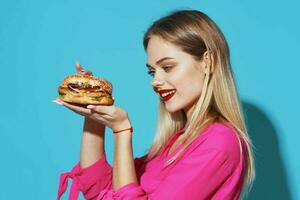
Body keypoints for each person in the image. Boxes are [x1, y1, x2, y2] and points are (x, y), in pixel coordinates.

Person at [53, 9, 255, 200]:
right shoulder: (176, 142)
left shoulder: (219, 142)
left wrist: (122, 131)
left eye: (167, 67)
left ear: (207, 62)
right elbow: (99, 190)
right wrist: (94, 110)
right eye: (152, 71)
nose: (155, 81)